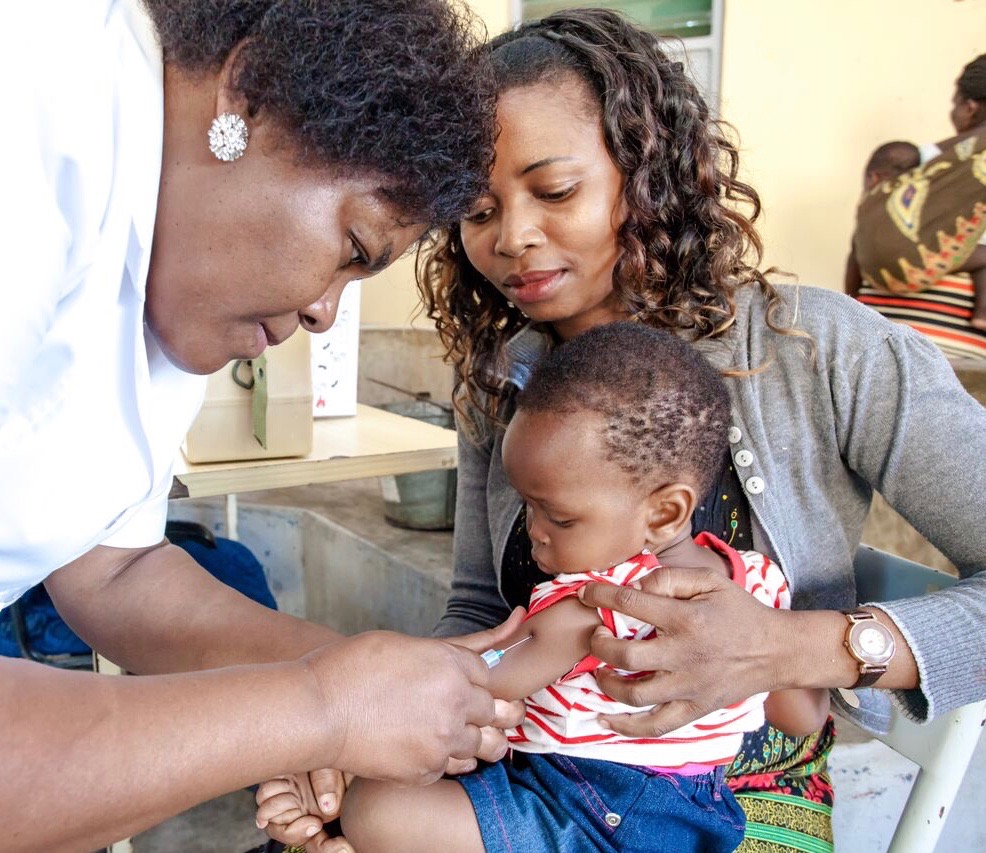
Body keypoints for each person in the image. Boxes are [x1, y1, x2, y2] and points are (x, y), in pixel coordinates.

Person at [0, 1, 527, 848]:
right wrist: (319, 710)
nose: (326, 311)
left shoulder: (169, 243)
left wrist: (359, 681)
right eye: (353, 247)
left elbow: (113, 570)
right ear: (244, 97)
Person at [401, 10, 985, 853]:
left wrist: (800, 646)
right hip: (542, 769)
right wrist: (407, 733)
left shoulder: (824, 353)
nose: (511, 237)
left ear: (646, 171)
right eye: (476, 208)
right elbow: (482, 607)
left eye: (555, 190)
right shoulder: (503, 381)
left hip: (741, 803)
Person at [256, 322, 829, 852]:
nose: (535, 534)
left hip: (599, 810)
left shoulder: (599, 604)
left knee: (379, 809)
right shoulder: (756, 585)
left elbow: (471, 685)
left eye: (559, 517)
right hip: (696, 811)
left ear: (665, 512)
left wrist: (344, 727)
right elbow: (801, 716)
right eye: (527, 506)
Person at [847, 54, 986, 358]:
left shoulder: (918, 159)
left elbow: (866, 234)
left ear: (970, 107)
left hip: (877, 342)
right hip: (968, 352)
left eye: (955, 103)